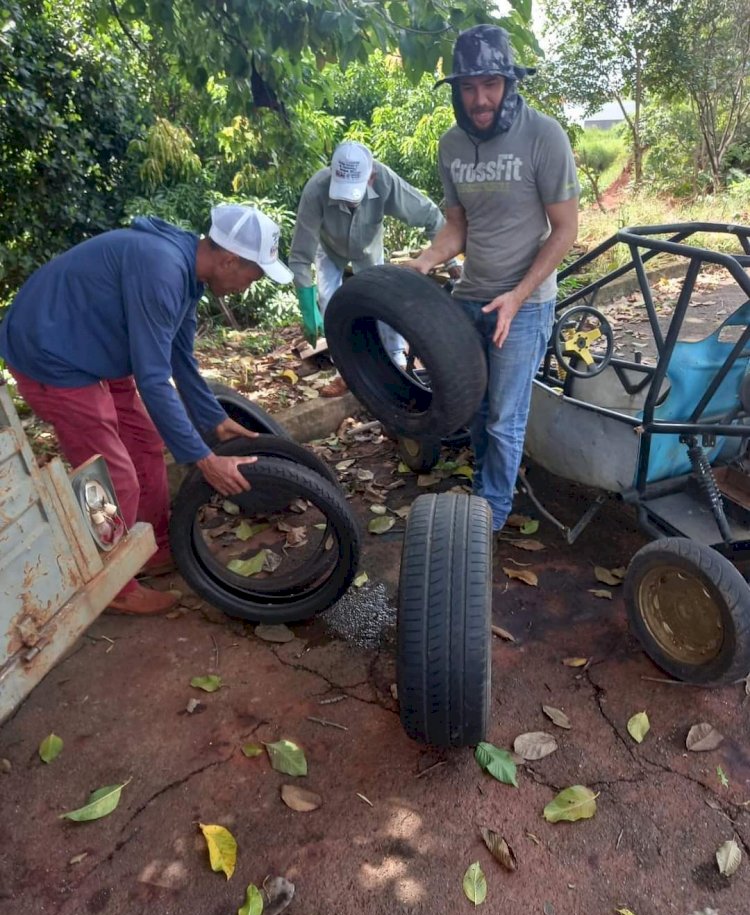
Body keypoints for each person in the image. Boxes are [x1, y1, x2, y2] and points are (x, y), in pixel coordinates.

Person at [0, 204, 293, 614]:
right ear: (229, 259)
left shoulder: (190, 277)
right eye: (254, 273)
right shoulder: (162, 270)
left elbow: (181, 360)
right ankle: (114, 584)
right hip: (51, 353)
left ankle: (152, 548)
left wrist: (215, 420)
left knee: (145, 441)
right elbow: (155, 381)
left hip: (99, 344)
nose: (251, 283)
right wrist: (204, 460)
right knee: (110, 473)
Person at [405, 25, 580, 533]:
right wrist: (423, 263)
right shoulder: (452, 144)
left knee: (505, 417)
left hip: (524, 305)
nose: (479, 100)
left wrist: (518, 296)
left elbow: (566, 229)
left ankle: (492, 515)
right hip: (472, 297)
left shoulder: (544, 136)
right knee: (473, 408)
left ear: (509, 83)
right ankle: (486, 485)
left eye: (490, 85)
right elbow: (456, 226)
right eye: (467, 88)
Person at [289, 141, 458, 396]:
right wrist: (306, 304)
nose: (349, 203)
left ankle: (397, 360)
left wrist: (451, 261)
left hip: (368, 247)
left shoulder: (385, 181)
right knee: (330, 303)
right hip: (330, 248)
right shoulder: (316, 189)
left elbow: (430, 216)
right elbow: (301, 255)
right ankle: (345, 373)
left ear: (371, 177)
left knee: (383, 301)